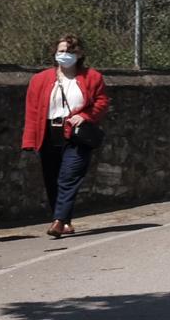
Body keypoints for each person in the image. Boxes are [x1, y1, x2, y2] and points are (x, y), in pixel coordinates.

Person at [21, 34, 110, 238]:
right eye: (61, 51)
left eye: (69, 51)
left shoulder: (93, 77)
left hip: (77, 134)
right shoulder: (40, 79)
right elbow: (32, 111)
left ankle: (58, 221)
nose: (64, 55)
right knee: (52, 179)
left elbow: (102, 102)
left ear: (79, 54)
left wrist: (86, 115)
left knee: (68, 177)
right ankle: (64, 220)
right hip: (49, 132)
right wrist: (29, 139)